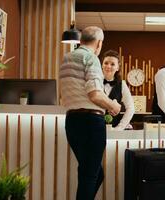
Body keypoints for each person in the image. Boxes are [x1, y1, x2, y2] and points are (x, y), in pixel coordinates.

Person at [59, 26, 121, 200]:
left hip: (72, 122)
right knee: (90, 175)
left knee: (92, 173)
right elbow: (94, 93)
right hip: (91, 122)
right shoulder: (91, 58)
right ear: (99, 43)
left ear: (80, 40)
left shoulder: (66, 59)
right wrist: (113, 106)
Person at [102, 50, 135, 130]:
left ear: (118, 67)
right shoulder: (95, 82)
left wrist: (119, 128)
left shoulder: (122, 84)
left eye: (112, 64)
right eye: (106, 63)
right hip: (95, 128)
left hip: (113, 129)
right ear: (102, 65)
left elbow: (131, 108)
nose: (108, 66)